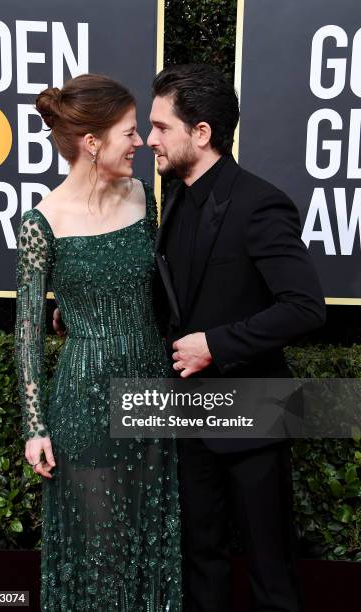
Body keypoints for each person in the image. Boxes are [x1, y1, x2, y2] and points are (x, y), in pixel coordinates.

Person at [146, 64, 326, 611]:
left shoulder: (259, 203)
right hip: (190, 414)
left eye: (160, 126)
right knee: (201, 560)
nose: (149, 139)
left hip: (254, 414)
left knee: (271, 572)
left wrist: (217, 345)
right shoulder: (174, 195)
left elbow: (305, 308)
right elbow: (174, 296)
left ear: (200, 133)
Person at [15, 73, 181, 611]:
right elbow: (25, 332)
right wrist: (35, 427)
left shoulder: (143, 196)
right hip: (85, 398)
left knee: (152, 539)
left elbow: (154, 287)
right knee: (100, 550)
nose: (141, 143)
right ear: (93, 142)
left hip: (151, 389)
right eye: (129, 133)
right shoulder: (43, 222)